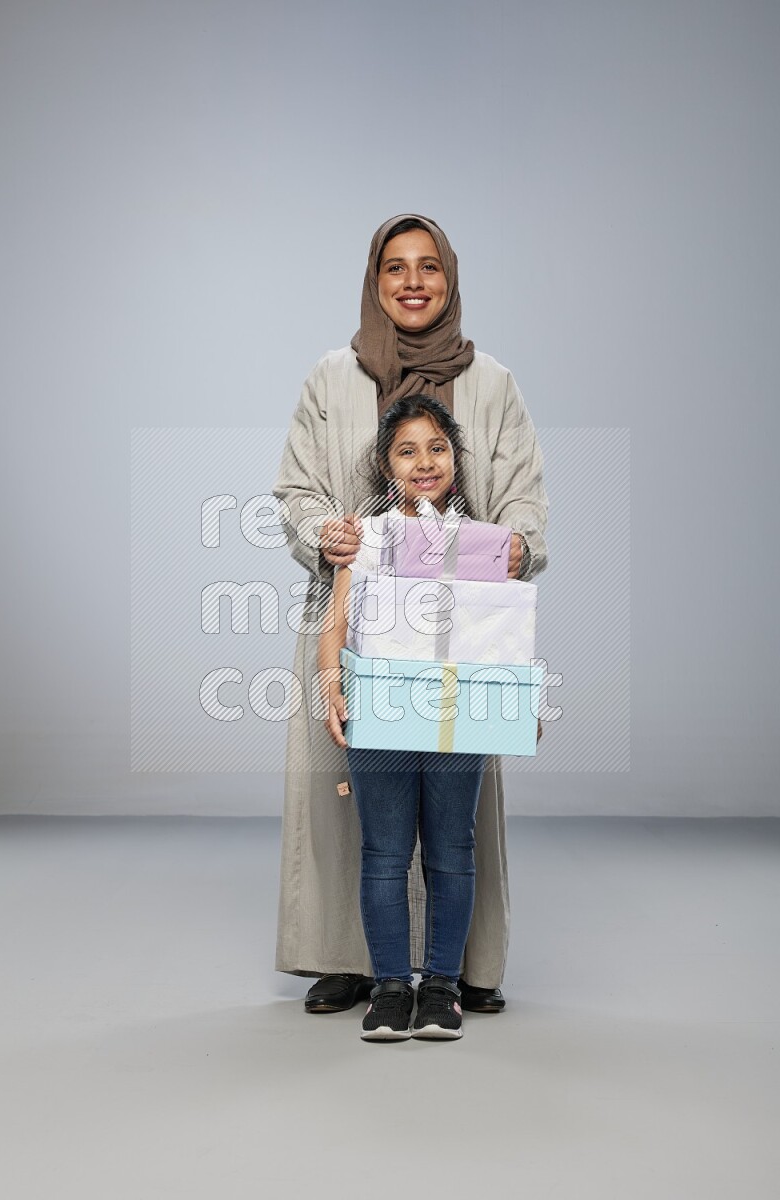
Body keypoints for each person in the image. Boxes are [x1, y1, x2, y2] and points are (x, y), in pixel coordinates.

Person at [273, 213, 548, 1016]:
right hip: (352, 618)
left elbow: (525, 494)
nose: (413, 281)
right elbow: (294, 487)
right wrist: (321, 530)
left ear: (450, 279)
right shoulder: (332, 377)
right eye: (395, 267)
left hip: (462, 633)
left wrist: (519, 549)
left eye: (429, 266)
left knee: (455, 815)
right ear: (375, 280)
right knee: (348, 789)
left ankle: (458, 971)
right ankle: (351, 959)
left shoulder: (492, 382)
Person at [319, 392, 502, 1040]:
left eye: (437, 447)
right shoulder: (365, 537)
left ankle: (443, 990)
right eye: (407, 450)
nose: (424, 461)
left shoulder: (482, 544)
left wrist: (516, 692)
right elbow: (335, 623)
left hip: (459, 713)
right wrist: (331, 685)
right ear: (385, 464)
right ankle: (392, 988)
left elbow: (500, 631)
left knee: (452, 851)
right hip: (382, 712)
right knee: (385, 853)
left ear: (454, 459)